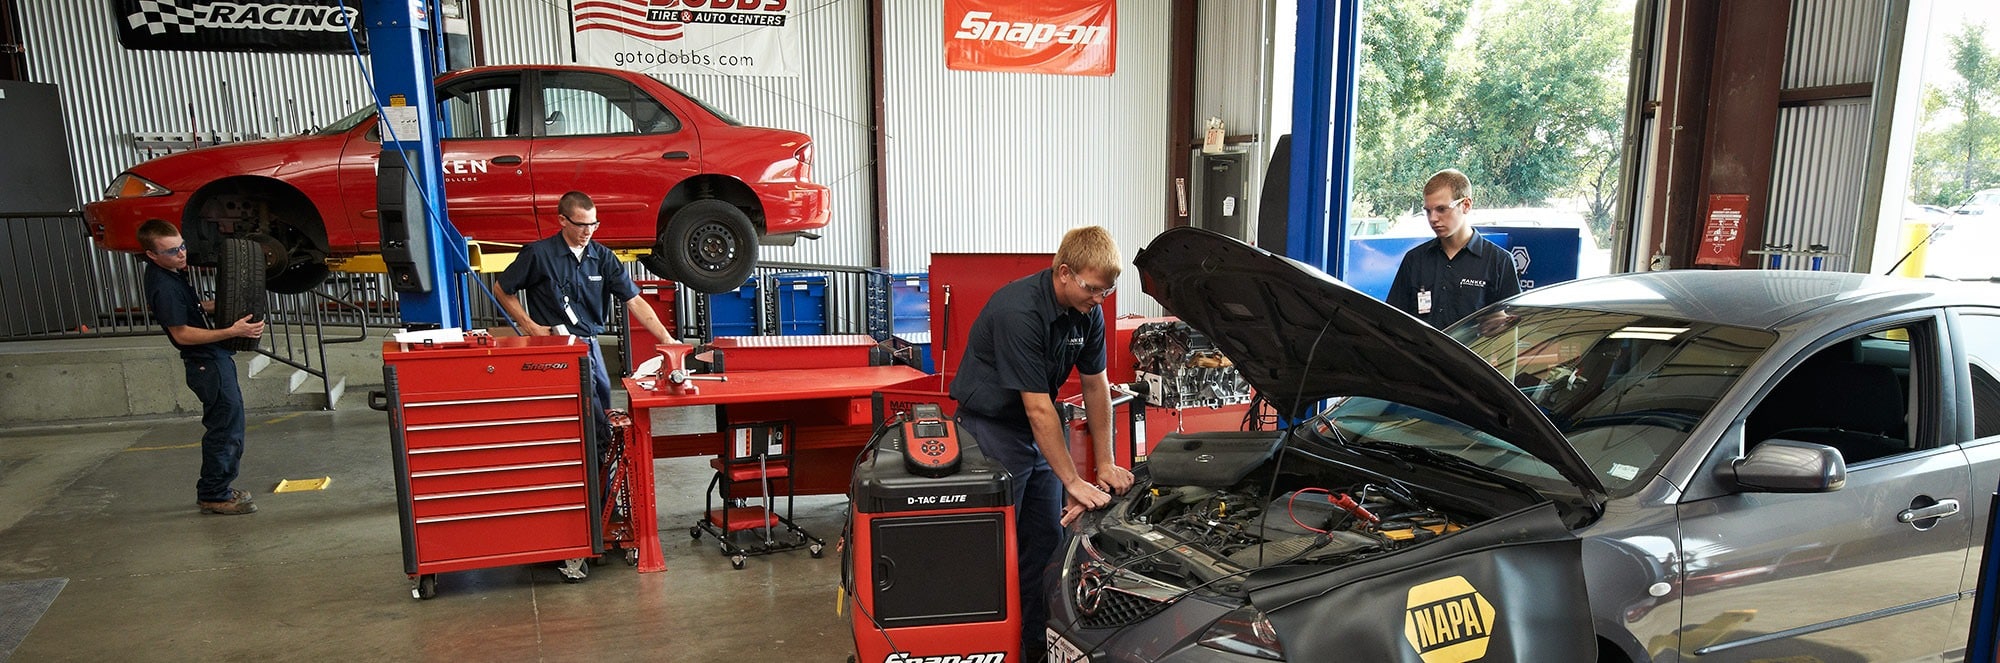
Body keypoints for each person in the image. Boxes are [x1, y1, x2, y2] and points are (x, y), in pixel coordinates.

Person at [948, 226, 1135, 660]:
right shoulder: (1019, 311)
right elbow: (1036, 408)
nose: (1099, 299)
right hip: (990, 431)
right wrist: (1072, 479)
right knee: (995, 548)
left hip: (1037, 433)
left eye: (1106, 291)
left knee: (1046, 543)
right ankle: (988, 647)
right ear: (1064, 272)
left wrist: (1105, 463)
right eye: (1092, 288)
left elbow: (1096, 386)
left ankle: (1033, 645)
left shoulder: (1088, 312)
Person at [493, 191, 675, 422]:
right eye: (581, 225)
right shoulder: (539, 255)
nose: (588, 232)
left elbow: (634, 300)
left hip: (590, 343)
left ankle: (601, 444)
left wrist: (666, 338)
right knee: (580, 410)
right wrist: (530, 326)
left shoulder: (603, 257)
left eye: (593, 225)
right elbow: (501, 288)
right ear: (562, 220)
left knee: (602, 401)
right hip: (555, 348)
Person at [137, 220, 267, 516]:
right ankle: (214, 495)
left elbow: (192, 309)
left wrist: (226, 303)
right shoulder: (164, 286)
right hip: (206, 363)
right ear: (152, 255)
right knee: (225, 429)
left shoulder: (172, 272)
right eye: (172, 251)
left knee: (228, 425)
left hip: (212, 360)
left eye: (182, 246)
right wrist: (233, 331)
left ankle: (217, 489)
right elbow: (182, 334)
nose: (181, 254)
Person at [1387, 168, 1522, 328]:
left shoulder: (1499, 261)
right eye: (1428, 211)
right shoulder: (1415, 260)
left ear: (1466, 205)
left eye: (1441, 209)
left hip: (1470, 345)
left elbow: (1511, 326)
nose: (1433, 218)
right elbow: (1393, 319)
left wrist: (1498, 325)